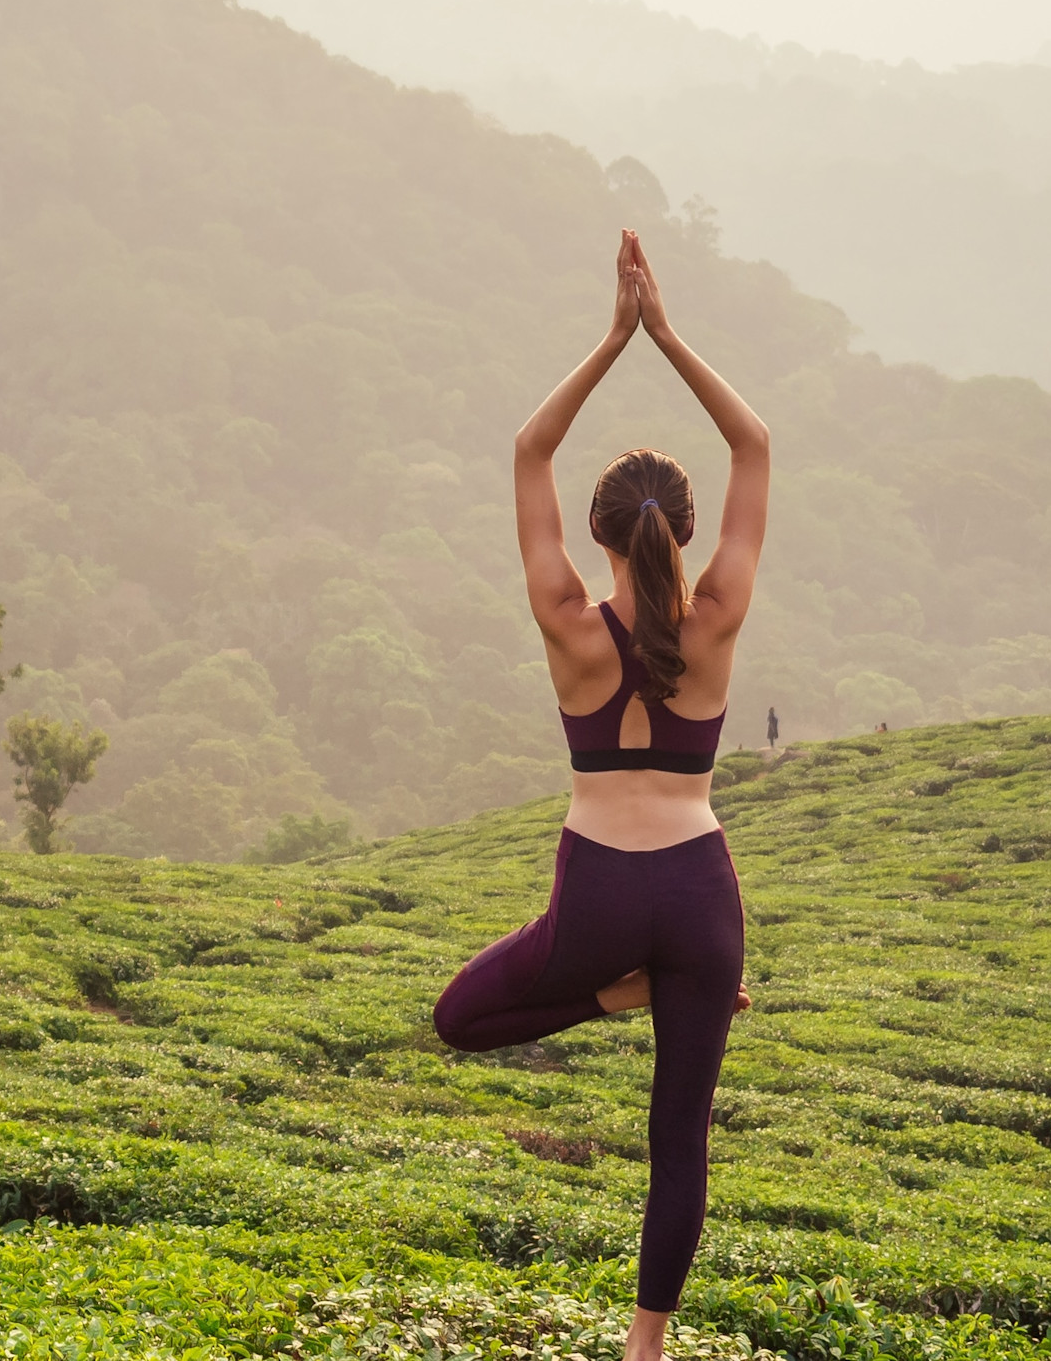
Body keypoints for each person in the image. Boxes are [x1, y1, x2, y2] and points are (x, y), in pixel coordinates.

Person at [433, 229, 770, 1361]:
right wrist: (665, 332)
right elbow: (754, 441)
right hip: (701, 896)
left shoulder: (569, 624)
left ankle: (616, 998)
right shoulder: (716, 617)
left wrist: (613, 338)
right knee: (680, 1138)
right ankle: (645, 1348)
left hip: (598, 898)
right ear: (685, 532)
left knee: (460, 1018)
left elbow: (529, 447)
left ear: (599, 534)